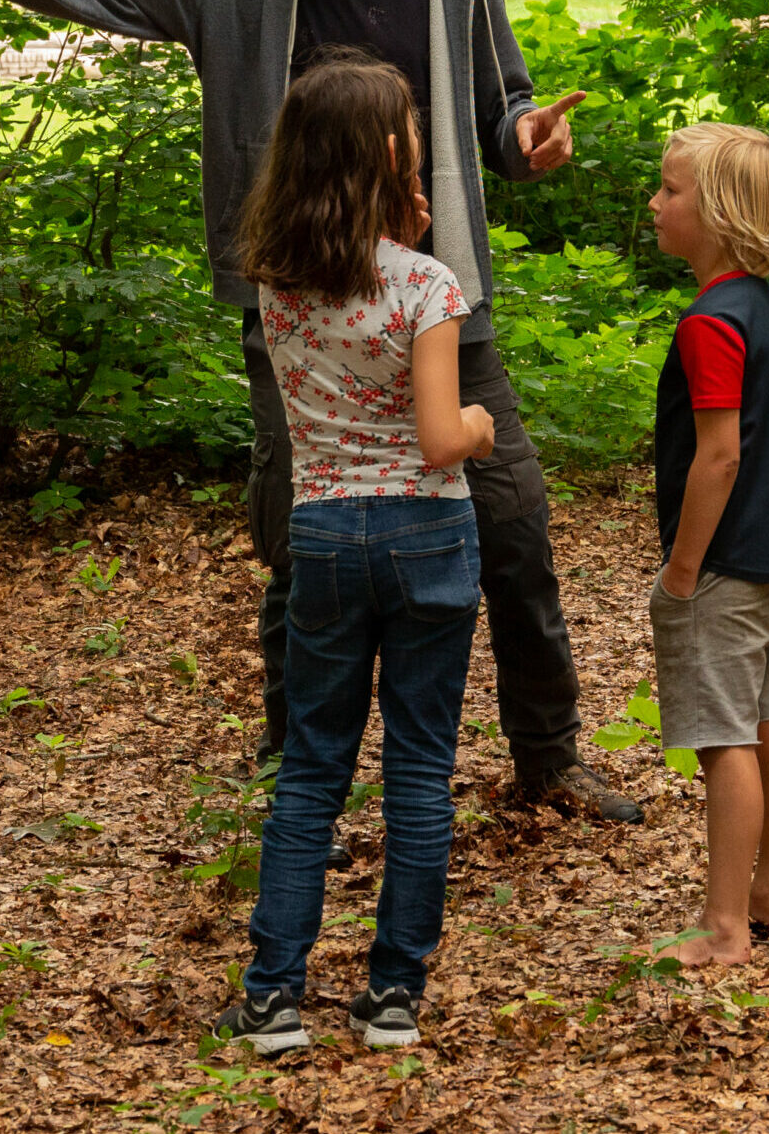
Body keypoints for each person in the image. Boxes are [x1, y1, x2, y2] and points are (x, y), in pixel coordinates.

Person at [0, 0, 642, 825]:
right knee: (302, 541)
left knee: (514, 532)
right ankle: (295, 773)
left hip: (440, 304)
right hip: (296, 313)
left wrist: (525, 138)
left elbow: (504, 107)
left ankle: (548, 757)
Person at [210, 55, 495, 1056]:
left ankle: (274, 997)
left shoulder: (276, 281)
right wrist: (478, 423)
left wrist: (392, 233)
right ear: (389, 153)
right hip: (425, 532)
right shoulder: (428, 285)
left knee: (311, 770)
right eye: (410, 126)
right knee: (418, 767)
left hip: (325, 532)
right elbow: (434, 434)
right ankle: (390, 998)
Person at [643, 123, 769, 966]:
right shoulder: (768, 316)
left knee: (725, 741)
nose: (655, 203)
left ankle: (724, 927)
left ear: (715, 214)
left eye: (670, 191)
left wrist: (681, 570)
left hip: (725, 566)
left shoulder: (710, 324)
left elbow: (720, 455)